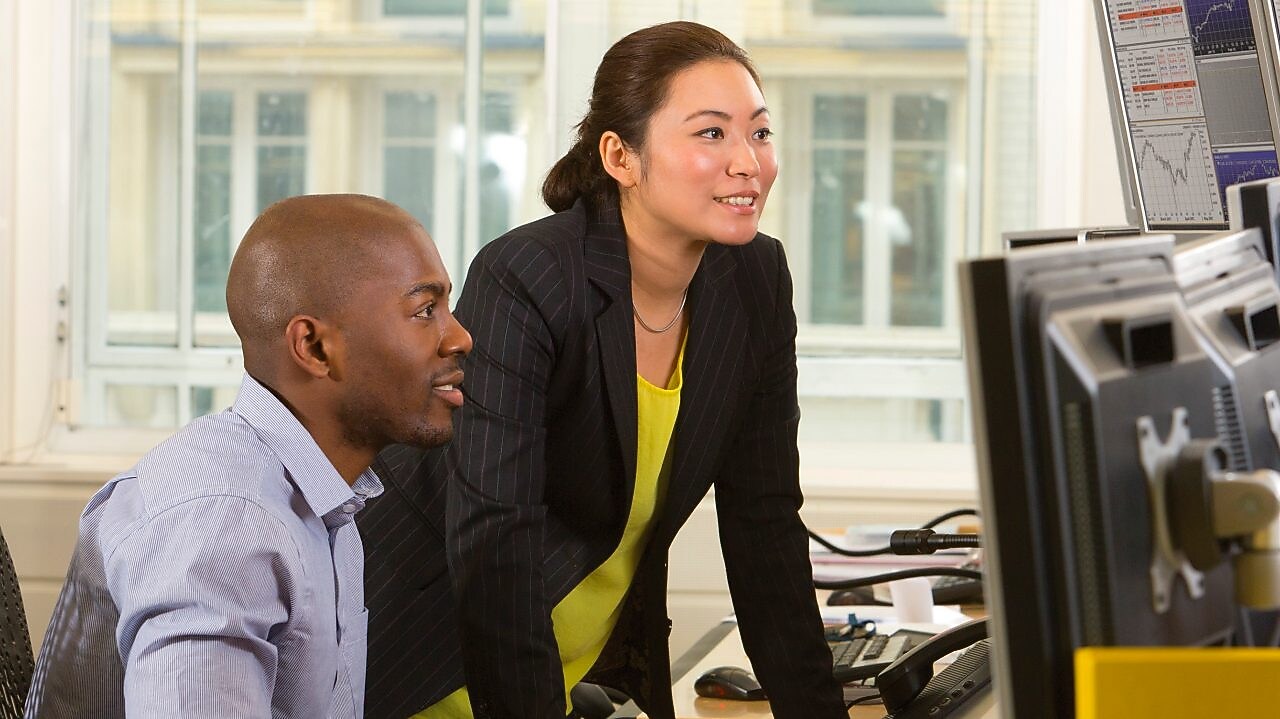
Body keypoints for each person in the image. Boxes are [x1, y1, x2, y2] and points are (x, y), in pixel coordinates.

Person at [360, 20, 847, 719]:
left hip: (565, 673)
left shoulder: (754, 278)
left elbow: (764, 521)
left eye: (760, 133)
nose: (748, 162)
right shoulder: (529, 276)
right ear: (621, 156)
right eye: (711, 133)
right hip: (435, 664)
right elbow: (495, 550)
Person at [24, 194, 473, 718]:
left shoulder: (324, 502)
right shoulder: (226, 528)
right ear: (314, 347)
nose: (459, 337)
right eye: (424, 311)